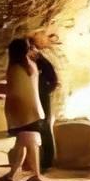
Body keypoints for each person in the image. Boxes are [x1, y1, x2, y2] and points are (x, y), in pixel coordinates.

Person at [0, 38, 46, 181]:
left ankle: (35, 175)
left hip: (22, 113)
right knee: (25, 143)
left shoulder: (14, 68)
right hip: (34, 111)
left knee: (26, 144)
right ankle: (14, 174)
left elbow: (14, 91)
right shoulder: (31, 65)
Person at [29, 32, 60, 171]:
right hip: (35, 96)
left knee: (45, 127)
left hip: (41, 96)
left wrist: (45, 91)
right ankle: (38, 160)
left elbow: (53, 79)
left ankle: (47, 160)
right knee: (36, 128)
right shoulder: (31, 61)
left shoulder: (40, 60)